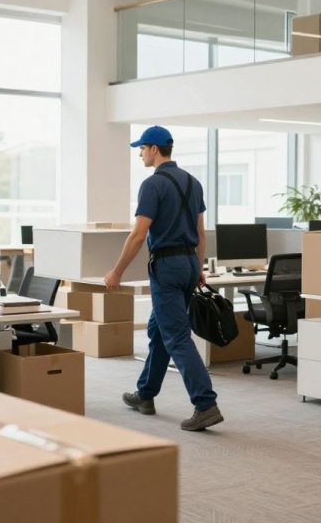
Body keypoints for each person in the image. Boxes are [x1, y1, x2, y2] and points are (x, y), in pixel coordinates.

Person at [104, 125, 223, 432]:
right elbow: (200, 232)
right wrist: (198, 268)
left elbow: (138, 234)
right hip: (187, 264)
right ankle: (145, 394)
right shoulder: (193, 183)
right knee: (160, 328)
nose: (140, 153)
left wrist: (116, 271)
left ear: (155, 149)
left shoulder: (152, 185)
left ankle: (205, 403)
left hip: (167, 267)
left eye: (142, 148)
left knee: (176, 335)